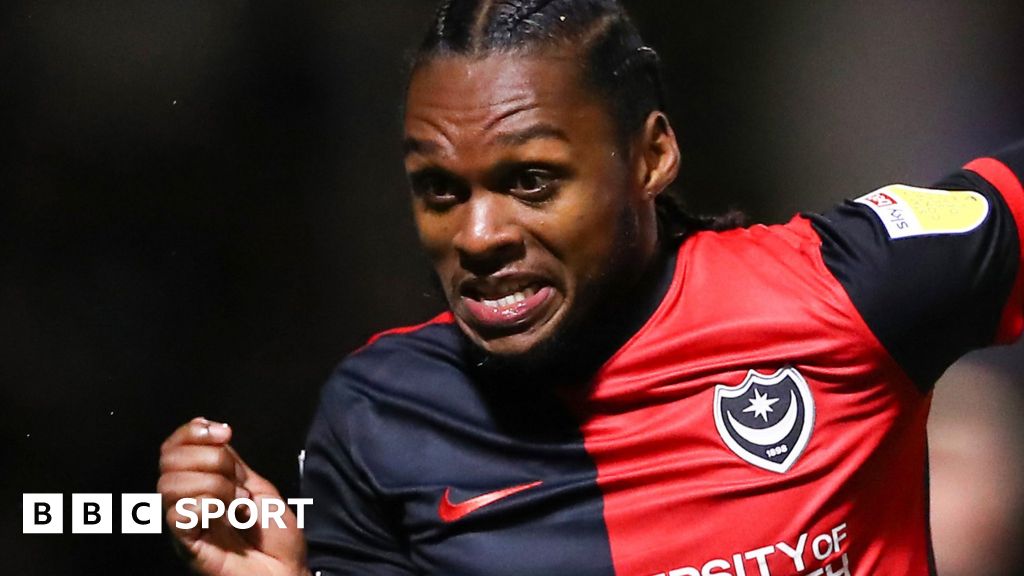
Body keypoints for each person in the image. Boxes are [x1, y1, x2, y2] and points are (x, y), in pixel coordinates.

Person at [157, 1, 1024, 574]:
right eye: (440, 190)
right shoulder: (381, 416)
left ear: (651, 156)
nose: (479, 236)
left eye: (532, 180)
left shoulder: (842, 291)